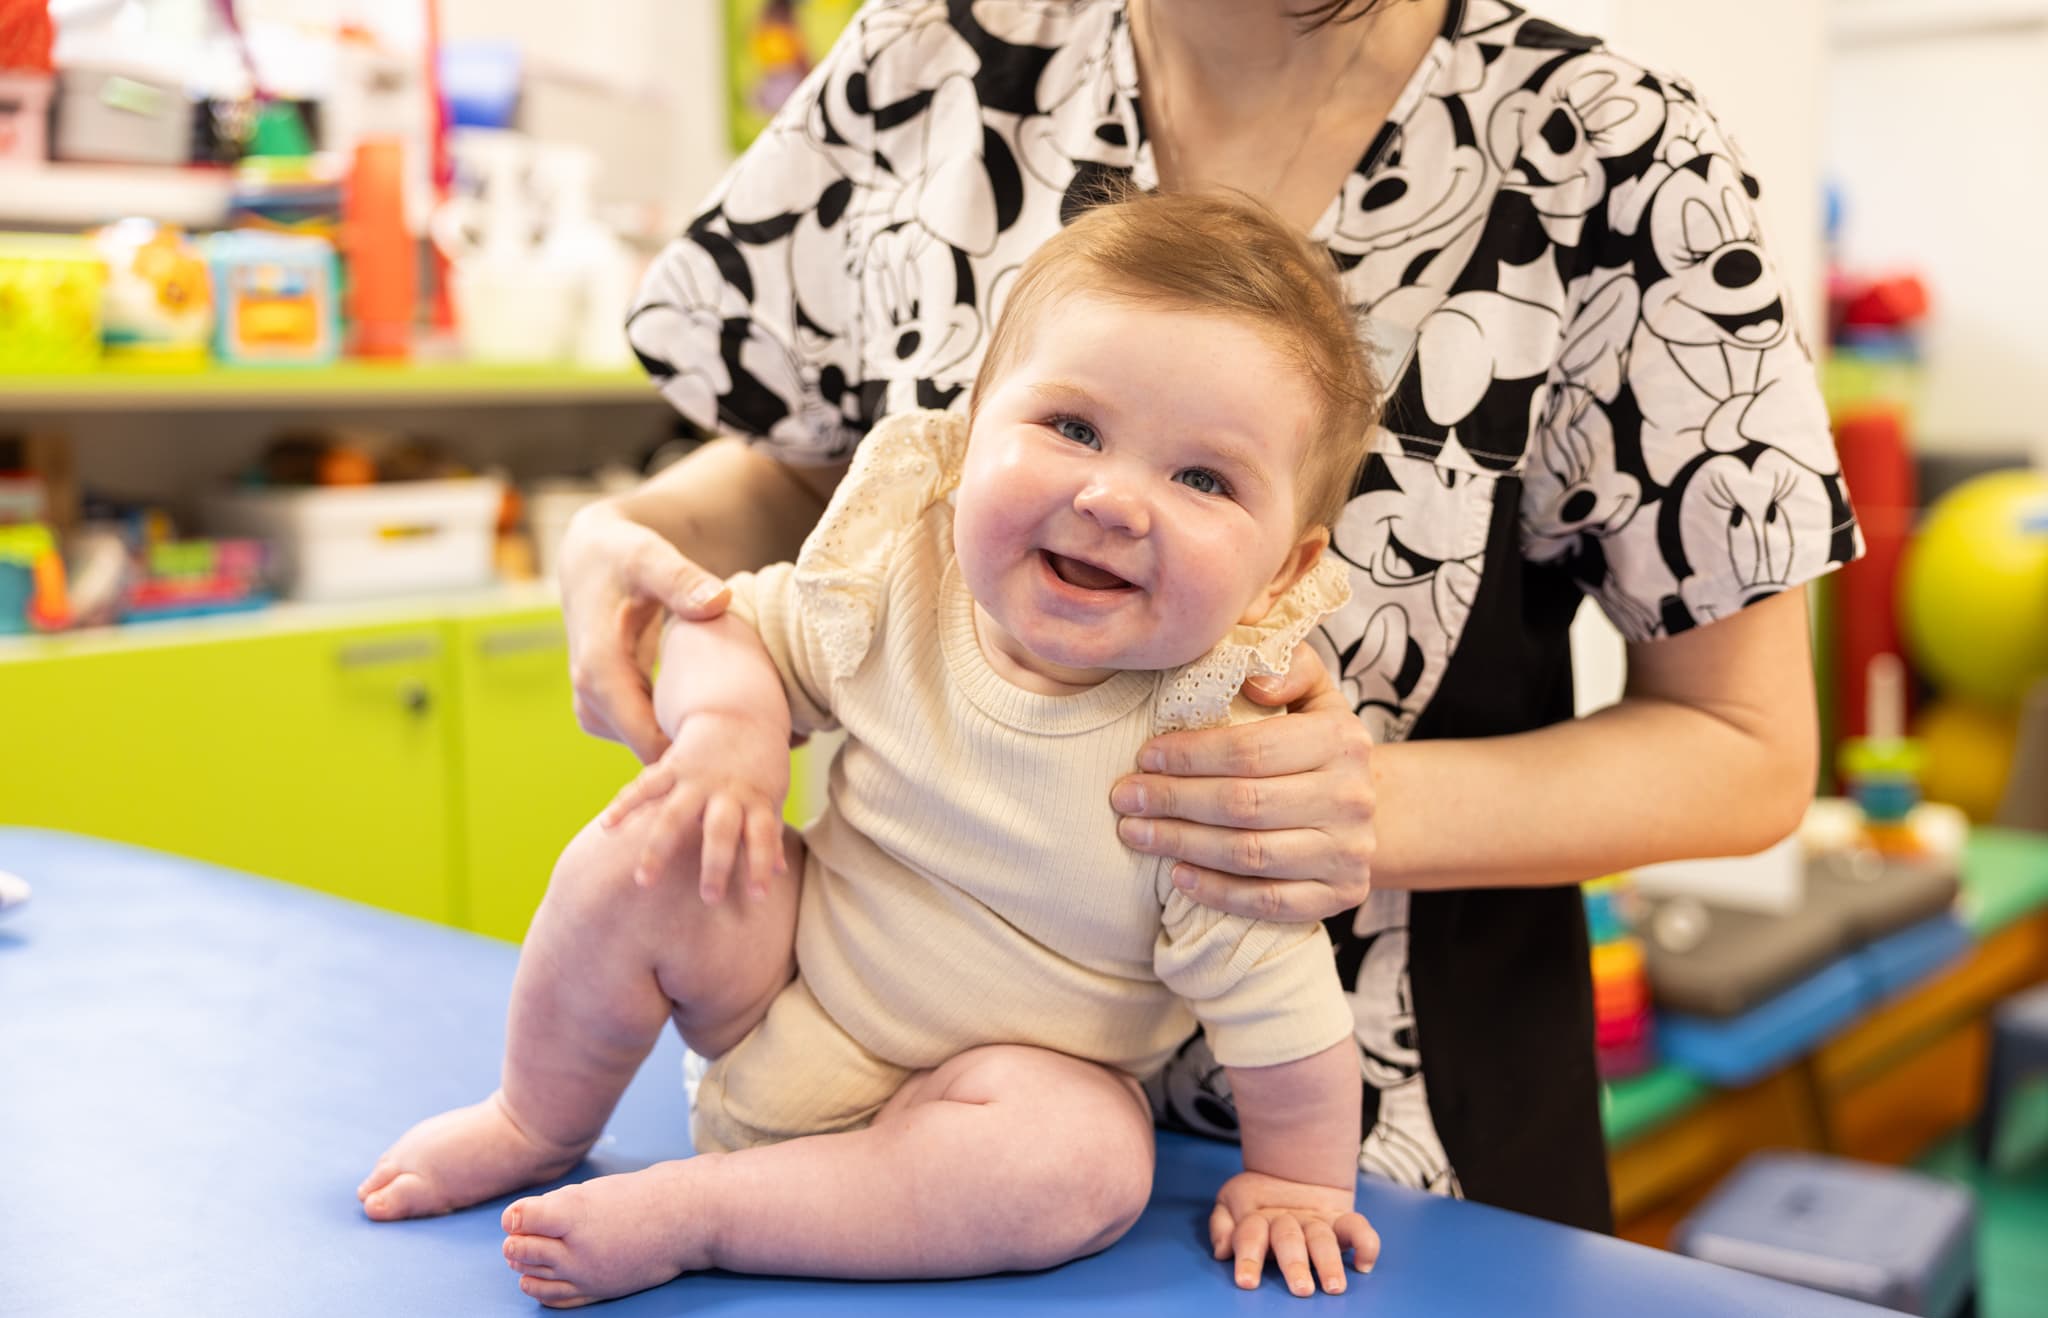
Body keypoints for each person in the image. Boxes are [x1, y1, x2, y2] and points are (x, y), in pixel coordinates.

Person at [559, 0, 1860, 1233]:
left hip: (1359, 1180)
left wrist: (1352, 811)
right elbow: (811, 473)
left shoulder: (1619, 165)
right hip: (859, 1080)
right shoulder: (932, 54)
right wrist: (635, 541)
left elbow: (1742, 745)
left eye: (1201, 481)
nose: (1112, 503)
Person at [359, 191, 1388, 1306]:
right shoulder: (901, 581)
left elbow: (1285, 1014)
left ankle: (706, 1213)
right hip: (778, 989)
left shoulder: (1215, 761)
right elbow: (728, 625)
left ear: (1283, 573)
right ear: (970, 430)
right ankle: (533, 1119)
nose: (1111, 499)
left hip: (969, 1122)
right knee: (650, 845)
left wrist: (1298, 1180)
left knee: (1084, 1161)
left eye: (1202, 480)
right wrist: (732, 732)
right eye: (1072, 428)